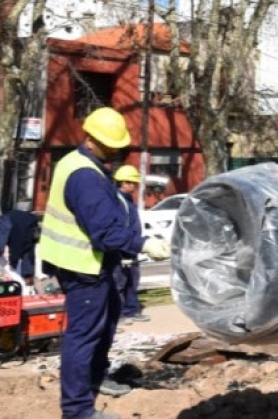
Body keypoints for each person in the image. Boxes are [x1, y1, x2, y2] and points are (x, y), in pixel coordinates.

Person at [37, 107, 171, 419]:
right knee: (82, 336)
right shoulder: (86, 178)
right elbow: (106, 232)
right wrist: (144, 244)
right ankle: (77, 410)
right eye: (111, 145)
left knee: (108, 319)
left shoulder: (79, 163)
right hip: (83, 266)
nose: (115, 150)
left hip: (89, 263)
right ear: (92, 140)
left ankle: (97, 377)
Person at [112, 165, 149, 323]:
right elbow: (120, 226)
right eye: (132, 183)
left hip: (131, 246)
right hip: (122, 248)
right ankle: (119, 313)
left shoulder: (127, 200)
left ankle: (131, 310)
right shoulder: (118, 201)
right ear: (123, 183)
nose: (135, 186)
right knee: (119, 282)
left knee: (132, 280)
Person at [0, 208, 40, 286]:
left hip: (14, 220)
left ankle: (26, 276)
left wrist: (12, 263)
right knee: (28, 249)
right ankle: (27, 276)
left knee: (20, 248)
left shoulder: (4, 221)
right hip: (31, 222)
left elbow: (14, 246)